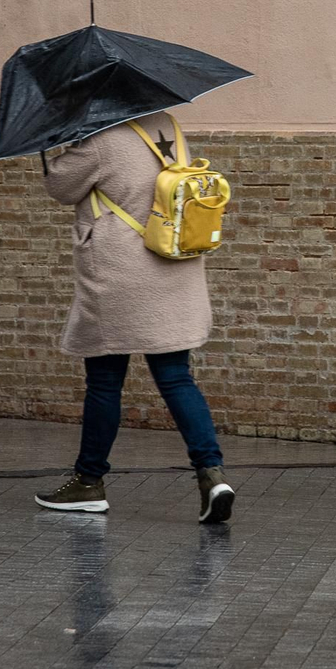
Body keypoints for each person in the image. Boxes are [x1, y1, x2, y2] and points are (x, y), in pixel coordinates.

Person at [33, 110, 234, 523]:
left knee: (105, 380)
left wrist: (46, 145)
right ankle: (212, 475)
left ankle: (88, 482)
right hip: (174, 267)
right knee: (177, 377)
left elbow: (61, 188)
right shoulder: (166, 124)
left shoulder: (99, 139)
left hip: (121, 274)